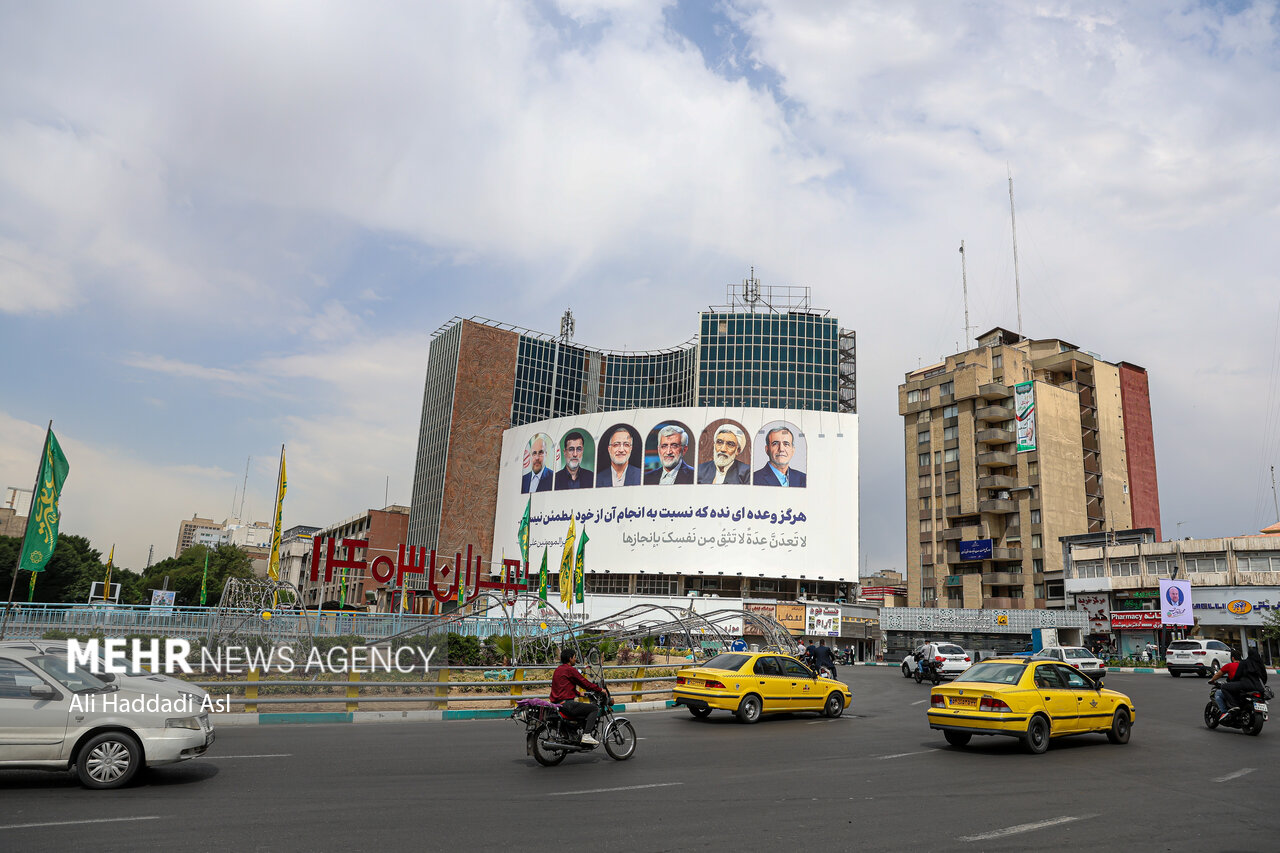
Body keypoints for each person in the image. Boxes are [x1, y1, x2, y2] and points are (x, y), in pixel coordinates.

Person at [549, 648, 604, 745]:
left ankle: (574, 734)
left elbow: (563, 686)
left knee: (580, 710)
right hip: (567, 704)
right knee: (594, 709)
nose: (575, 659)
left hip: (556, 704)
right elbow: (584, 683)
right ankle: (586, 735)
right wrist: (600, 689)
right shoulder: (570, 669)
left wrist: (578, 694)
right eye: (574, 657)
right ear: (570, 658)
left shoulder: (558, 670)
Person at [1219, 646, 1269, 721]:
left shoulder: (1244, 662)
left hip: (1245, 685)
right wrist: (1262, 685)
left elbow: (1237, 675)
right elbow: (1264, 677)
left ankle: (1234, 705)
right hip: (1258, 687)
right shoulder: (1260, 664)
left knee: (1224, 687)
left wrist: (1232, 682)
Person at [1209, 649, 1243, 717]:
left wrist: (1211, 680)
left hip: (1235, 688)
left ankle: (1224, 712)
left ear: (1232, 658)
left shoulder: (1230, 665)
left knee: (1218, 694)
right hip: (1246, 688)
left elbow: (1218, 674)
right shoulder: (1245, 665)